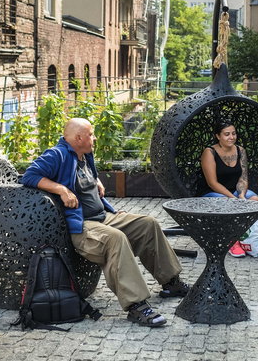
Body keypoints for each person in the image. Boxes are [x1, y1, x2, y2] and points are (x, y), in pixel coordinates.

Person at [21, 118, 189, 328]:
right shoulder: (57, 154)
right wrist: (62, 190)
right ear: (78, 138)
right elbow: (29, 176)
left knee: (148, 224)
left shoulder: (84, 155)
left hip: (103, 216)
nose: (95, 138)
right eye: (91, 134)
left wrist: (95, 180)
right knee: (115, 239)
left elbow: (84, 179)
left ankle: (170, 283)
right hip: (81, 226)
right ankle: (136, 306)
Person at [198, 119, 258, 257]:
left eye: (233, 133)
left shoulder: (240, 150)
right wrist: (233, 198)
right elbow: (212, 183)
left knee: (255, 201)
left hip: (234, 191)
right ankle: (232, 241)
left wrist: (242, 195)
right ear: (218, 136)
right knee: (228, 204)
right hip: (212, 192)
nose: (231, 137)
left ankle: (243, 236)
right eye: (226, 134)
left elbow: (243, 177)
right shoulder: (209, 152)